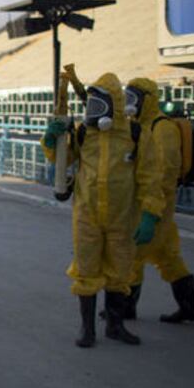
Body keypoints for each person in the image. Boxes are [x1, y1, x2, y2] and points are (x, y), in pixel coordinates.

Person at [42, 72, 163, 348]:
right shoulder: (84, 133)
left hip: (123, 216)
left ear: (115, 105)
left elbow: (150, 177)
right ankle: (87, 329)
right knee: (86, 269)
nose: (92, 113)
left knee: (120, 270)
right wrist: (51, 139)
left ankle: (115, 325)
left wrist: (149, 214)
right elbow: (61, 157)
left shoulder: (135, 135)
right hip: (87, 214)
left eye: (98, 106)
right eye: (90, 106)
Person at [122, 78, 194, 323]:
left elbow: (165, 171)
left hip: (156, 204)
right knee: (167, 256)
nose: (129, 105)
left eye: (133, 99)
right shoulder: (140, 126)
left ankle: (125, 308)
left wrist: (151, 208)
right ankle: (190, 307)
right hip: (153, 203)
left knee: (134, 254)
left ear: (147, 100)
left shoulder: (162, 128)